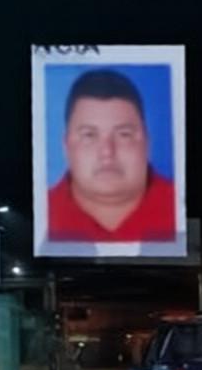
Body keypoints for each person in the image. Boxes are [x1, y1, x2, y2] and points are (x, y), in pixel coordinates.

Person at [47, 69, 176, 242]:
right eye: (89, 135)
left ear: (147, 142)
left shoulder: (181, 207)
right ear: (66, 146)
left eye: (124, 134)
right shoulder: (39, 214)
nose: (107, 152)